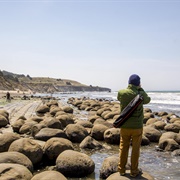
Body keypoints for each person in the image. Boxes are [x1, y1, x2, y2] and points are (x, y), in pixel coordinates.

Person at [117, 74, 151, 177]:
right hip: (137, 127)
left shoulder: (121, 93)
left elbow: (119, 98)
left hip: (125, 125)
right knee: (136, 149)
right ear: (138, 83)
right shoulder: (140, 94)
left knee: (123, 147)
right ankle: (134, 171)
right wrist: (141, 89)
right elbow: (148, 100)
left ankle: (121, 170)